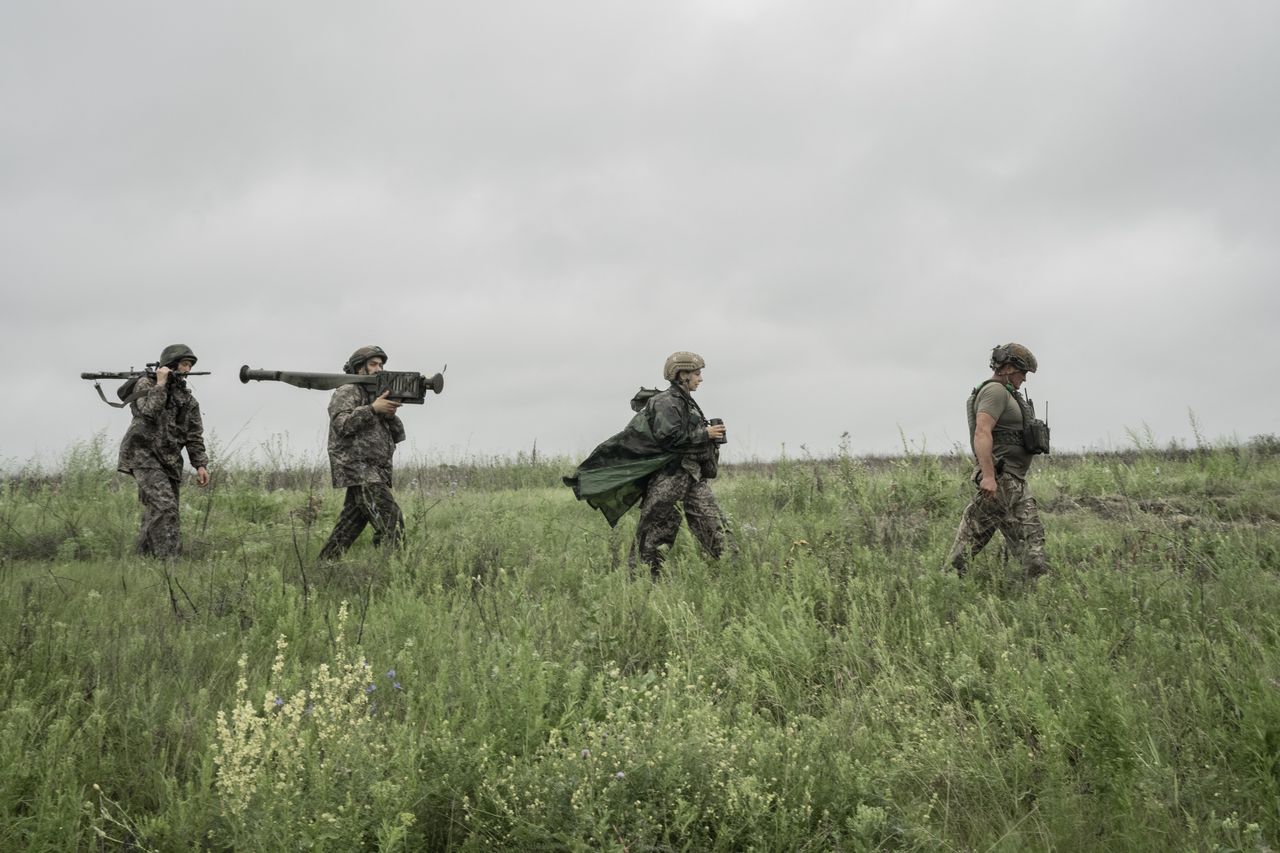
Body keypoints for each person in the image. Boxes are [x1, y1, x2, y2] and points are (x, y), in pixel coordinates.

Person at [565, 351, 728, 577]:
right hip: (670, 480)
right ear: (682, 374)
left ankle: (735, 571)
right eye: (697, 373)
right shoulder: (665, 402)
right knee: (654, 536)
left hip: (692, 477)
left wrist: (708, 435)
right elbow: (669, 439)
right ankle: (641, 584)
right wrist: (705, 434)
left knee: (716, 529)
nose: (700, 378)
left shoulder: (686, 402)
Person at [946, 343, 1050, 579]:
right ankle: (945, 583)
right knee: (966, 548)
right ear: (1009, 367)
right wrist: (989, 476)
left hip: (1016, 484)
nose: (1024, 379)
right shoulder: (995, 392)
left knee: (1033, 550)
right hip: (1000, 482)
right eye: (1022, 372)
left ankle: (1035, 590)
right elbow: (982, 431)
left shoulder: (1008, 394)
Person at [116, 344, 210, 558]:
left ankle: (144, 560)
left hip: (169, 461)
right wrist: (160, 384)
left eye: (190, 365)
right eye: (184, 364)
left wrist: (200, 465)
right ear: (171, 364)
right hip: (143, 455)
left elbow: (194, 435)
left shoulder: (187, 399)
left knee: (158, 510)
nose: (187, 369)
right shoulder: (146, 384)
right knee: (165, 507)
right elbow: (148, 412)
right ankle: (169, 562)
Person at [318, 345, 407, 560]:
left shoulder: (374, 395)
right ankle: (396, 569)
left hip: (374, 470)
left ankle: (325, 565)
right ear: (359, 368)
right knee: (391, 520)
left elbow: (396, 435)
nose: (379, 369)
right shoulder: (347, 390)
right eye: (373, 364)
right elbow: (342, 425)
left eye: (381, 365)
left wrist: (388, 413)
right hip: (359, 469)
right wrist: (373, 409)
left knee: (347, 528)